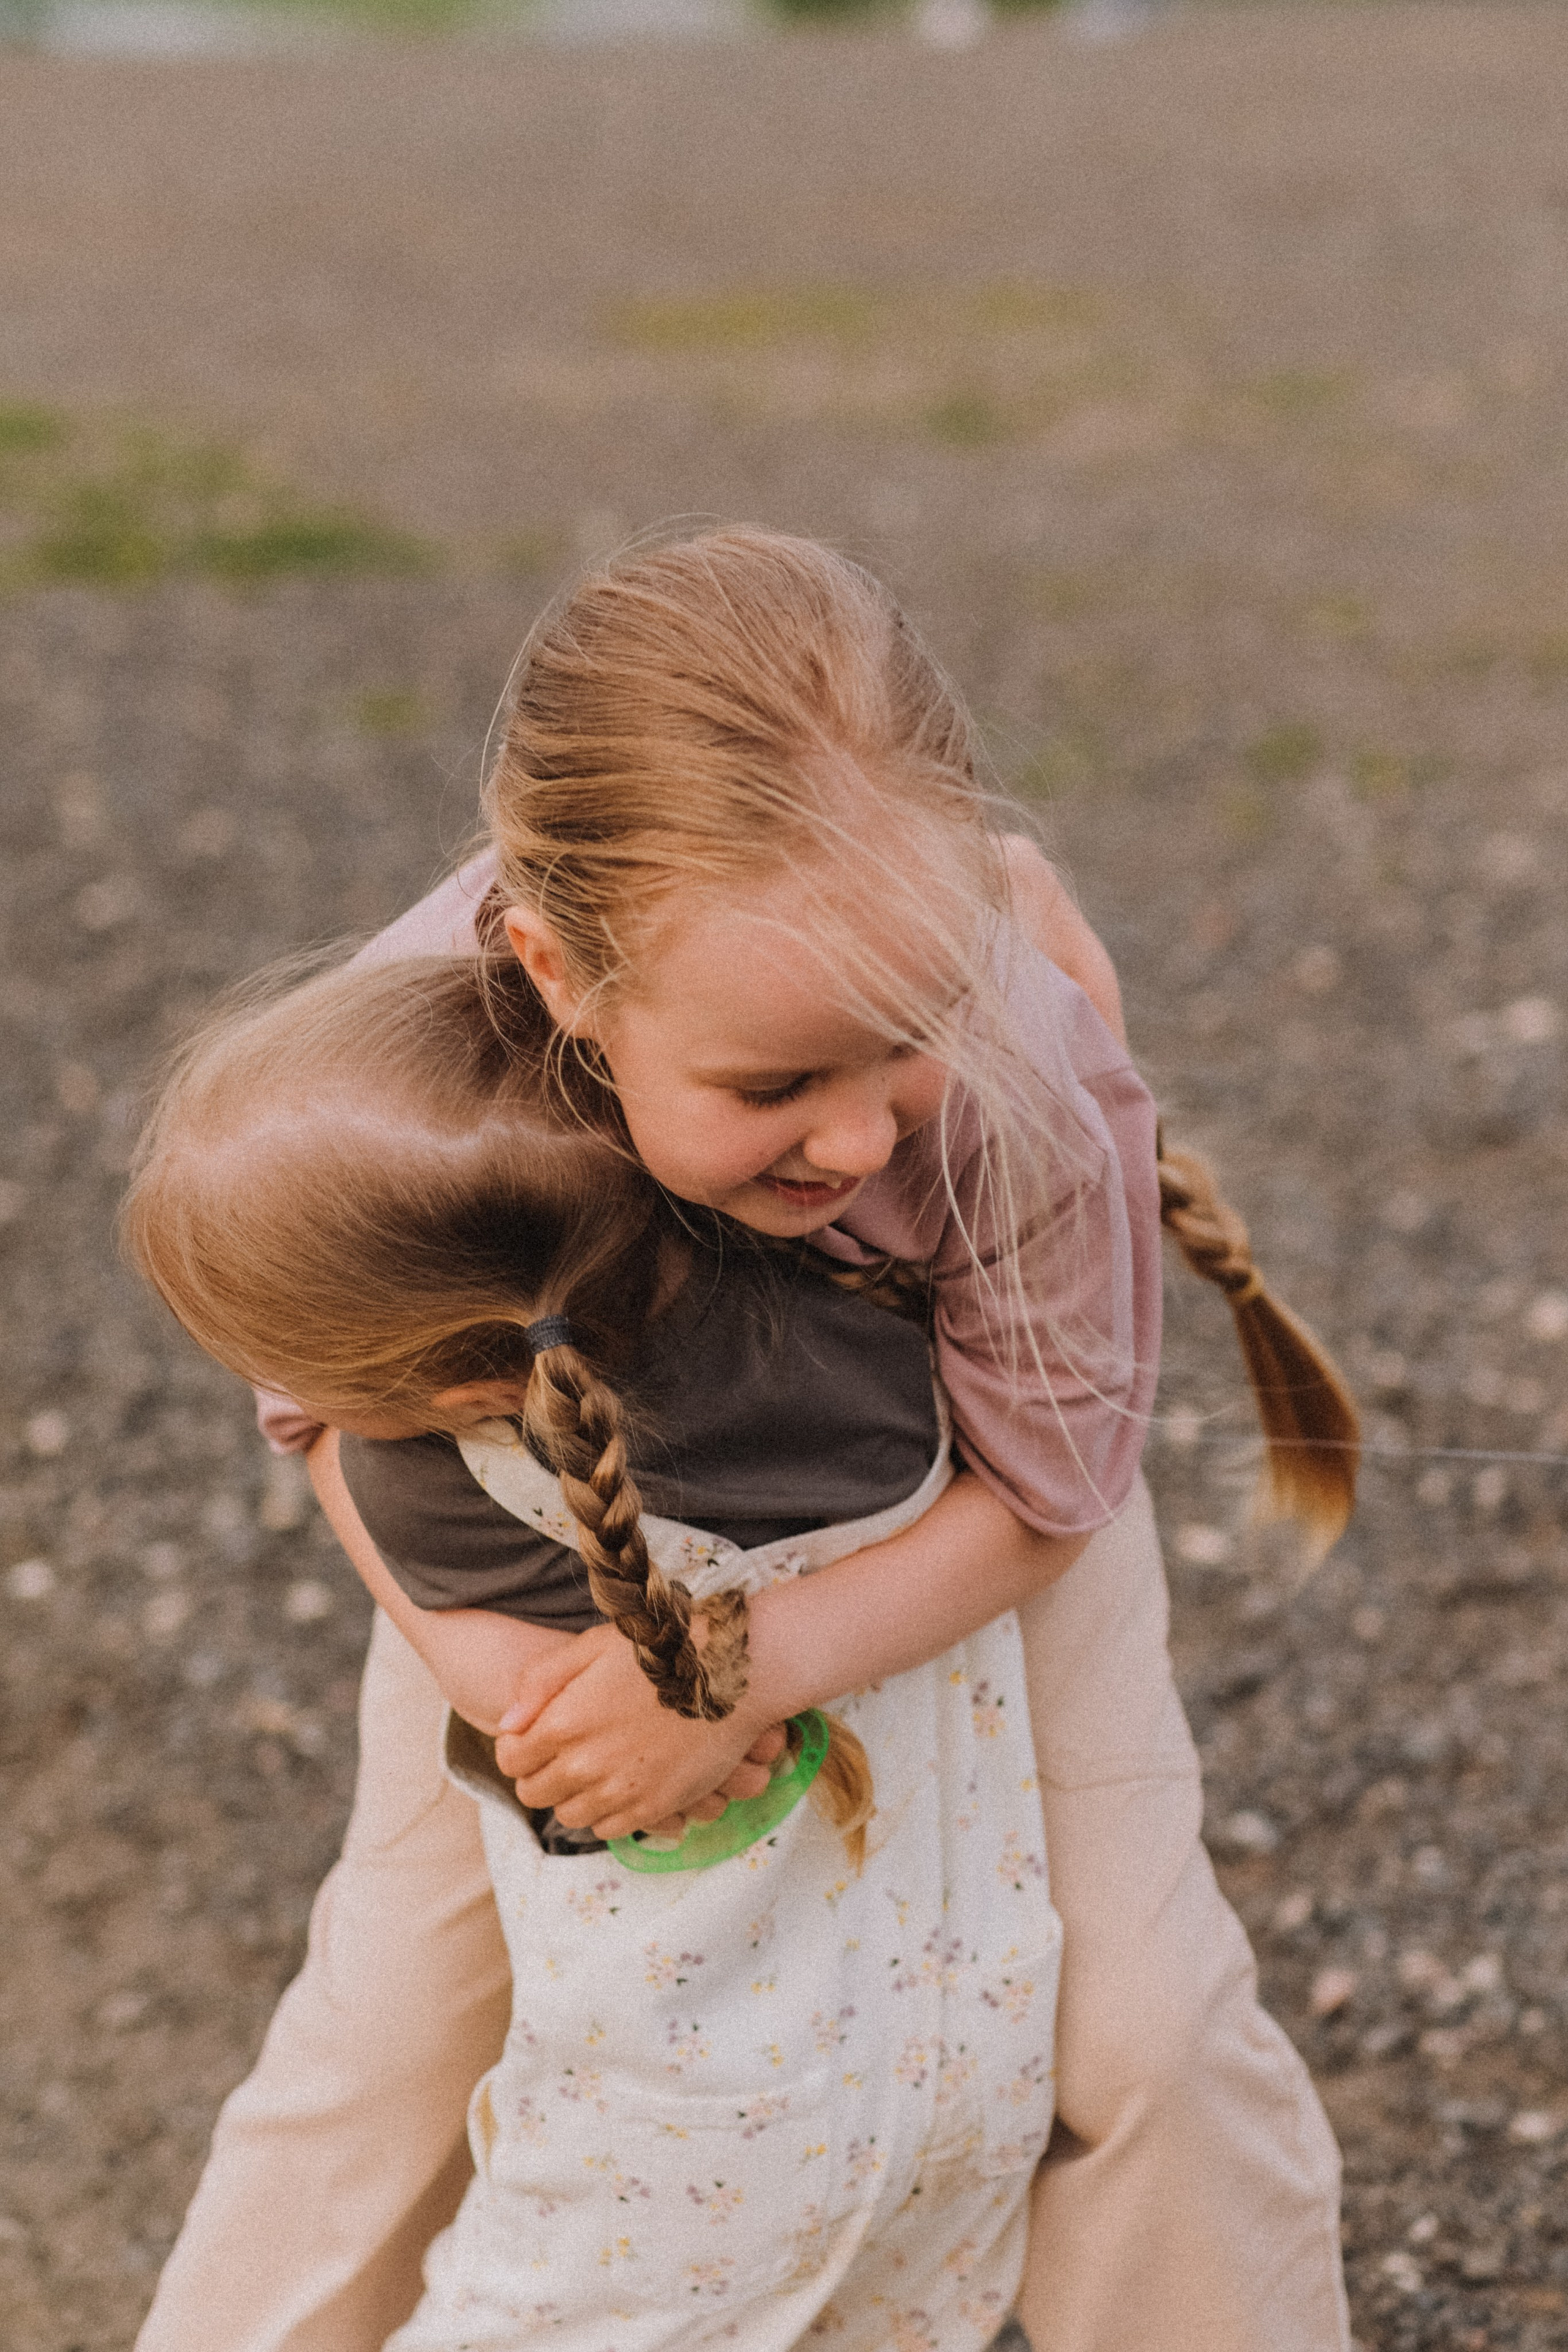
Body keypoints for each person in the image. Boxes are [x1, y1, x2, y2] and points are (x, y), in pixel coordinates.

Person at [132, 527, 1355, 2352]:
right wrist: (512, 1678)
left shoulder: (1027, 1092)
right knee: (394, 2016)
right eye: (776, 1086)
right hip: (537, 1546)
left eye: (905, 1036)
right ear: (560, 976)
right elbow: (325, 1403)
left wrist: (729, 1668)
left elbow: (1051, 1490)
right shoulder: (409, 1068)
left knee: (1145, 2029)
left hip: (957, 1519)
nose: (859, 1139)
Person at [125, 948, 1064, 2350]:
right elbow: (1042, 1484)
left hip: (658, 2129)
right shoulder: (875, 1394)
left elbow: (331, 1427)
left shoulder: (426, 1503)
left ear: (441, 1393)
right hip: (957, 2066)